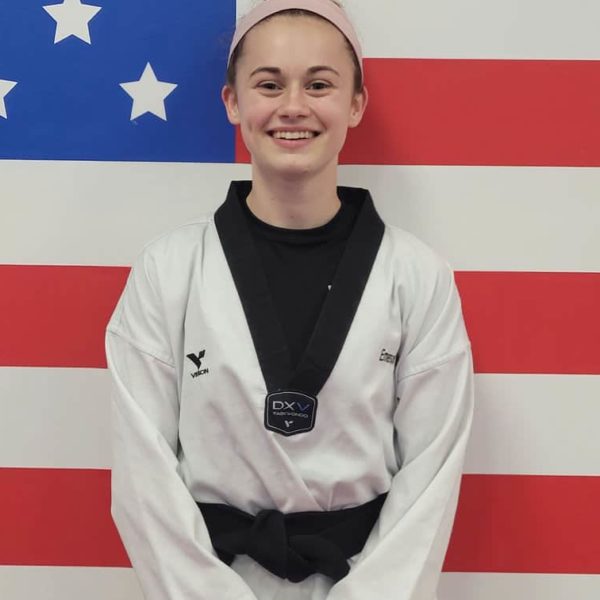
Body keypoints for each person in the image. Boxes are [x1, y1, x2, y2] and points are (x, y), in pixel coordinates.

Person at [105, 1, 474, 599]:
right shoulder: (167, 270)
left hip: (366, 578)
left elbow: (430, 476)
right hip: (208, 580)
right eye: (269, 84)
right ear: (232, 102)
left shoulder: (417, 276)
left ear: (356, 104)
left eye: (320, 84)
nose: (293, 106)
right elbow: (143, 478)